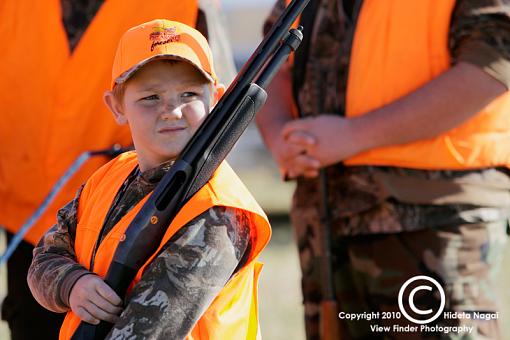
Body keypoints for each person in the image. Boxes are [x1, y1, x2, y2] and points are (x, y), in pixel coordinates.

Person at [257, 0, 510, 339]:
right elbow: (270, 56)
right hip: (326, 225)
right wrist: (278, 134)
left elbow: (493, 63)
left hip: (433, 221)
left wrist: (355, 135)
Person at [0, 1, 235, 339]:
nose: (171, 110)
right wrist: (71, 283)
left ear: (216, 98)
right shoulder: (103, 183)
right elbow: (46, 261)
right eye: (151, 97)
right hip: (27, 208)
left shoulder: (213, 209)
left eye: (187, 94)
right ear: (116, 105)